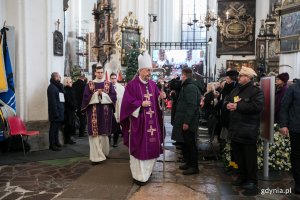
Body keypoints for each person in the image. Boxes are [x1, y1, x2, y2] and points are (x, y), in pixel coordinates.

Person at [120, 52, 166, 186]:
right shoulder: (131, 85)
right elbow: (126, 104)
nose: (150, 73)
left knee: (152, 148)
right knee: (139, 150)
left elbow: (158, 102)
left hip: (152, 124)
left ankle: (148, 172)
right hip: (139, 124)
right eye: (147, 70)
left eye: (151, 70)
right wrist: (140, 105)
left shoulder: (152, 84)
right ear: (140, 70)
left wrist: (161, 97)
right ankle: (139, 176)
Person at [225, 67, 264, 195]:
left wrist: (237, 106)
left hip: (248, 130)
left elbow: (257, 106)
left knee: (249, 158)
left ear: (248, 78)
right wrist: (227, 104)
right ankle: (242, 177)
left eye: (241, 76)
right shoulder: (236, 90)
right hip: (236, 129)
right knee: (239, 157)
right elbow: (228, 99)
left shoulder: (255, 91)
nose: (239, 77)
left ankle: (252, 182)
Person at [81, 66, 117, 165]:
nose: (100, 74)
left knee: (104, 134)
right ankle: (96, 157)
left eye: (101, 72)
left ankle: (104, 153)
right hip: (93, 113)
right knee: (94, 135)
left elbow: (114, 97)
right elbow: (85, 98)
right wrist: (96, 94)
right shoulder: (89, 84)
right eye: (98, 72)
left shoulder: (108, 84)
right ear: (95, 73)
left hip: (105, 113)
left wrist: (103, 95)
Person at [173, 68, 201, 175]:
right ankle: (189, 163)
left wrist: (186, 122)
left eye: (181, 75)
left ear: (184, 76)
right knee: (186, 143)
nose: (181, 77)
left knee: (190, 144)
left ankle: (194, 166)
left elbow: (191, 106)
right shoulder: (187, 86)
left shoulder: (190, 87)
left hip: (189, 122)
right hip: (184, 120)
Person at [280, 77, 300, 194]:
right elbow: (284, 107)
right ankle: (298, 183)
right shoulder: (293, 88)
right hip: (296, 128)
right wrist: (284, 125)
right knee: (297, 155)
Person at [47, 72, 65, 151]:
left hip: (59, 111)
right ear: (55, 77)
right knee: (53, 129)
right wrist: (56, 113)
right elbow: (52, 102)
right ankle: (52, 144)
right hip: (55, 112)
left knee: (57, 129)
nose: (60, 78)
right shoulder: (51, 88)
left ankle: (56, 142)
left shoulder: (57, 87)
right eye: (59, 77)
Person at [110, 72, 125, 147]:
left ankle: (115, 142)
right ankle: (108, 142)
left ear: (117, 79)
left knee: (116, 126)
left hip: (118, 109)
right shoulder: (107, 87)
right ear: (110, 79)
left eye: (115, 78)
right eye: (112, 78)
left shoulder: (121, 88)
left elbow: (124, 98)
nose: (113, 80)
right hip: (109, 110)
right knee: (109, 127)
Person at [63, 77, 77, 145]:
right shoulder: (66, 90)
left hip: (72, 110)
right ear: (67, 82)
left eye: (71, 81)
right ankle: (67, 139)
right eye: (70, 82)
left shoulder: (72, 89)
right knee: (68, 125)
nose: (72, 83)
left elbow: (74, 99)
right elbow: (68, 100)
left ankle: (69, 138)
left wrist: (75, 106)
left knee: (71, 125)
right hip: (68, 110)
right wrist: (74, 106)